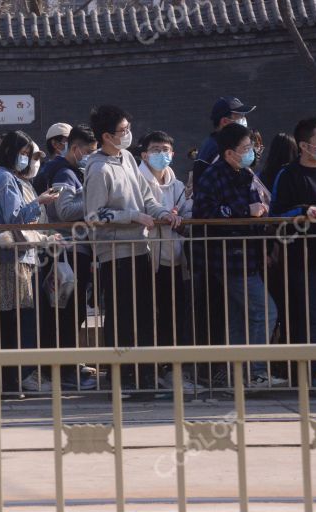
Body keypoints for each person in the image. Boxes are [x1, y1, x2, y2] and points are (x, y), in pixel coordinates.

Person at [83, 106, 180, 392]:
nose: (128, 135)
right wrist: (132, 216)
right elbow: (94, 216)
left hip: (141, 248)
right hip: (116, 254)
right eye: (122, 131)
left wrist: (163, 212)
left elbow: (147, 197)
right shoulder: (98, 168)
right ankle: (122, 379)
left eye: (127, 128)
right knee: (123, 318)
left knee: (145, 315)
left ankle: (146, 376)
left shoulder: (126, 158)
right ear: (106, 136)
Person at [193, 122, 285, 388]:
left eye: (252, 148)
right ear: (229, 153)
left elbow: (264, 200)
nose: (251, 153)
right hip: (228, 257)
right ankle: (257, 371)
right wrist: (246, 210)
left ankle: (237, 374)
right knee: (265, 311)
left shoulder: (246, 173)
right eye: (245, 148)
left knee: (238, 316)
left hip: (248, 255)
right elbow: (205, 213)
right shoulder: (213, 176)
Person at [0, 130, 59, 392]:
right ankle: (15, 377)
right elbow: (14, 218)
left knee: (14, 319)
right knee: (13, 320)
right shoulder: (4, 178)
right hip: (9, 257)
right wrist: (39, 201)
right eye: (23, 154)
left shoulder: (9, 178)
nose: (26, 159)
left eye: (28, 155)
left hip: (17, 256)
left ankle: (14, 377)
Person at [271, 117, 316, 388]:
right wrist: (303, 211)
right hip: (305, 260)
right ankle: (314, 373)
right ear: (304, 145)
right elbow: (275, 215)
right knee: (310, 317)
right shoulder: (288, 174)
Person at [137, 131, 202, 392]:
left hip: (175, 259)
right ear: (144, 154)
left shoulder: (177, 186)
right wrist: (163, 217)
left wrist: (181, 217)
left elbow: (187, 215)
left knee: (174, 315)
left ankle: (171, 369)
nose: (161, 154)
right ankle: (149, 369)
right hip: (147, 257)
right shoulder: (137, 181)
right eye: (155, 149)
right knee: (147, 315)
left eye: (166, 149)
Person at [38, 124, 98, 390]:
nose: (90, 157)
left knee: (70, 312)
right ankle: (65, 371)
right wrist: (96, 201)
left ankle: (68, 365)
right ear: (75, 149)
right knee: (67, 313)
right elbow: (63, 210)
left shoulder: (69, 170)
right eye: (88, 152)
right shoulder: (64, 172)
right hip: (67, 251)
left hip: (70, 250)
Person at [191, 96, 256, 195]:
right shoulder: (219, 149)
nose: (244, 120)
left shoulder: (212, 142)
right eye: (240, 116)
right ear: (224, 121)